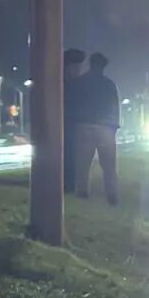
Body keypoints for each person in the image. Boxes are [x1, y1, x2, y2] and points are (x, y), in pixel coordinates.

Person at [74, 52, 120, 204]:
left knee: (83, 164)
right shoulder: (109, 84)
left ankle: (82, 192)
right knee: (109, 165)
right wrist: (114, 125)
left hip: (84, 125)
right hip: (105, 126)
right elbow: (114, 106)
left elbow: (75, 103)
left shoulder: (80, 82)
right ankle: (111, 195)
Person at [63, 48, 87, 191]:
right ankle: (68, 183)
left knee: (75, 156)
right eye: (75, 67)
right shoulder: (61, 85)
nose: (78, 70)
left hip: (76, 126)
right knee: (67, 154)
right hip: (65, 126)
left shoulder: (78, 84)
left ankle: (71, 183)